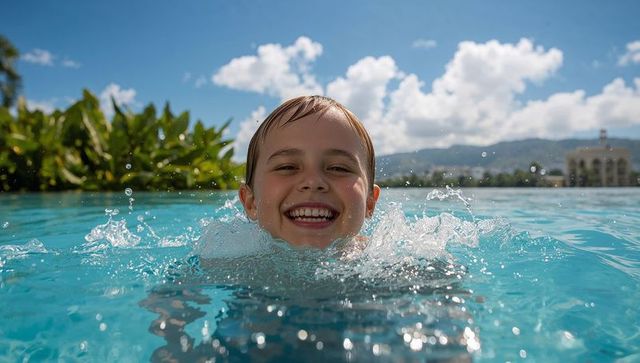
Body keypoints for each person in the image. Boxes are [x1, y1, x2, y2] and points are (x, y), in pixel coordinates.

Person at [238, 95, 381, 249]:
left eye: (338, 168)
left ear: (369, 203)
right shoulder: (228, 267)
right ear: (251, 203)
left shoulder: (391, 268)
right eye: (287, 167)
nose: (313, 182)